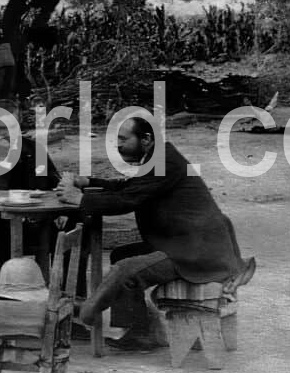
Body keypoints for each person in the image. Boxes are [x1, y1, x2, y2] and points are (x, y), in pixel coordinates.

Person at [56, 116, 255, 350]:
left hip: (195, 251)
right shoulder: (158, 158)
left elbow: (128, 199)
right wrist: (88, 181)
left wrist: (80, 199)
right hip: (185, 242)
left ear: (147, 139)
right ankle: (139, 332)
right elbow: (130, 188)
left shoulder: (163, 161)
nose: (118, 146)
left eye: (123, 139)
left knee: (125, 268)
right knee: (121, 255)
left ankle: (88, 309)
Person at [0, 98, 63, 289]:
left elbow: (53, 183)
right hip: (2, 224)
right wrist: (2, 160)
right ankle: (7, 292)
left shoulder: (33, 149)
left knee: (71, 237)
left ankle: (65, 296)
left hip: (38, 220)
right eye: (2, 128)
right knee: (0, 234)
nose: (9, 133)